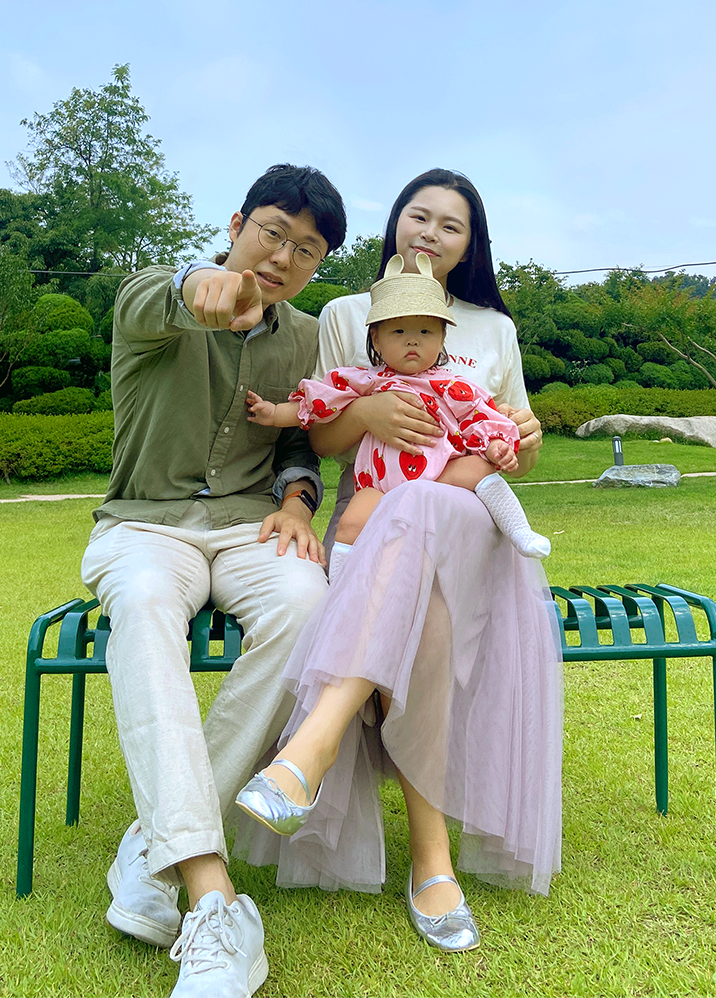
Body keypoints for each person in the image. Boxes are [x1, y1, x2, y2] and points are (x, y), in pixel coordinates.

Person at [231, 169, 563, 953]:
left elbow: (514, 446)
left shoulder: (494, 330)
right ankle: (430, 856)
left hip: (467, 530)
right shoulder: (348, 314)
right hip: (376, 527)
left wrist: (526, 439)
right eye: (420, 215)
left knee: (421, 510)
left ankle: (310, 748)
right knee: (426, 619)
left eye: (452, 224)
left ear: (471, 245)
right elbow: (323, 435)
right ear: (395, 223)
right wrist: (371, 411)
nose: (431, 233)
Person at [80, 164, 346, 998]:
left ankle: (152, 848)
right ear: (236, 224)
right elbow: (157, 296)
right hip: (145, 522)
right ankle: (210, 893)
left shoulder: (307, 337)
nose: (283, 257)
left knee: (308, 602)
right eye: (273, 233)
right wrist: (199, 283)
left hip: (248, 526)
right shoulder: (157, 296)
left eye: (306, 249)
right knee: (144, 601)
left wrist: (299, 501)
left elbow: (301, 436)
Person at [245, 250, 551, 561]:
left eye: (425, 331)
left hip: (439, 477)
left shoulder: (452, 386)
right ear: (376, 340)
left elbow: (481, 417)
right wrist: (275, 414)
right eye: (399, 331)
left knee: (479, 470)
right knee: (351, 524)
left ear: (442, 339)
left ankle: (519, 530)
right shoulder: (364, 381)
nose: (412, 341)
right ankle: (342, 579)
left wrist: (497, 445)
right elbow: (319, 402)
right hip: (379, 486)